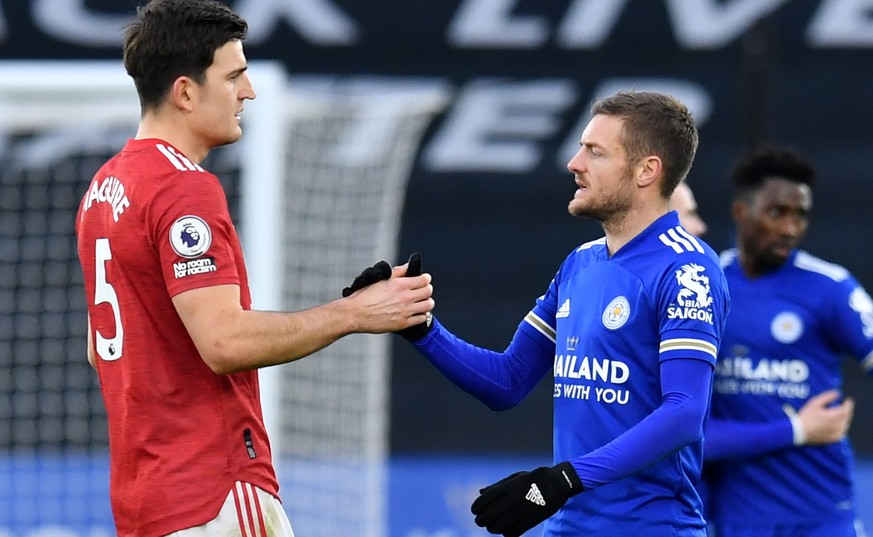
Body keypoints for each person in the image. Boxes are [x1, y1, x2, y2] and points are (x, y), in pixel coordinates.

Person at [74, 1, 433, 535]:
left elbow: (97, 347)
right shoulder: (182, 187)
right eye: (235, 76)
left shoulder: (104, 189)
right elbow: (225, 344)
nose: (250, 92)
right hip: (212, 493)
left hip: (145, 500)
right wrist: (355, 312)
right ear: (186, 93)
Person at [357, 91, 730, 536]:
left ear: (646, 170)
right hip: (568, 527)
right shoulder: (581, 263)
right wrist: (421, 328)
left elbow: (686, 412)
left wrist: (565, 479)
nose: (575, 163)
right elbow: (508, 380)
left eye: (595, 151)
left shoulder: (688, 269)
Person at [703, 145, 870, 537]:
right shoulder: (706, 287)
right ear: (740, 211)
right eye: (777, 212)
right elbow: (692, 433)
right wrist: (797, 428)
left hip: (822, 515)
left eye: (801, 216)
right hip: (737, 519)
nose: (790, 229)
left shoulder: (831, 288)